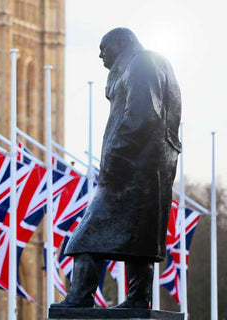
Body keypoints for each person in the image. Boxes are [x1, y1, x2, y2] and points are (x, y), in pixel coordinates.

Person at [52, 27, 182, 309]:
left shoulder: (142, 63)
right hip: (150, 168)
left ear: (122, 43)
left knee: (86, 236)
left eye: (104, 48)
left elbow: (142, 115)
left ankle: (80, 297)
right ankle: (138, 299)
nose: (101, 55)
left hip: (132, 168)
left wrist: (114, 157)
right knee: (140, 241)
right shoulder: (150, 63)